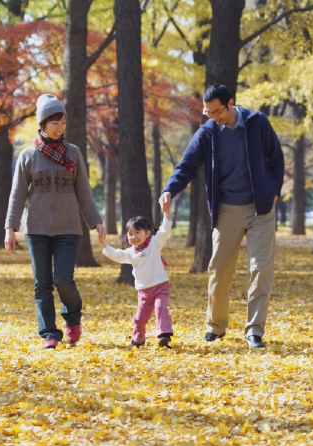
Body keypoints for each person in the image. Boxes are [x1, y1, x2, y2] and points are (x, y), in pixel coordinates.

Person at [159, 84, 284, 349]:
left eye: (217, 111)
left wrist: (274, 190)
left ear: (230, 103)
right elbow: (187, 165)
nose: (213, 117)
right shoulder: (208, 132)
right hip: (226, 208)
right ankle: (215, 327)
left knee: (261, 268)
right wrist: (170, 189)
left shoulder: (256, 122)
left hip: (260, 208)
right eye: (208, 112)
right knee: (219, 269)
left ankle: (254, 331)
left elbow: (276, 158)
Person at [4, 94, 105, 349]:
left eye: (62, 123)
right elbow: (17, 194)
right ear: (42, 125)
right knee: (42, 284)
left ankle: (73, 317)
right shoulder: (28, 156)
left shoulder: (73, 153)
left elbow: (84, 191)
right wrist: (10, 227)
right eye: (54, 123)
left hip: (68, 227)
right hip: (36, 228)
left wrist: (96, 222)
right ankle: (50, 333)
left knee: (63, 279)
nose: (59, 128)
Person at [98, 205, 173, 348]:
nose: (133, 237)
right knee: (139, 319)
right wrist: (104, 245)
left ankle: (164, 335)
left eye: (137, 232)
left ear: (148, 233)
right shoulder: (130, 252)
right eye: (130, 233)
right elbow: (116, 255)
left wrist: (166, 210)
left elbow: (165, 228)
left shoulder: (155, 243)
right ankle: (138, 339)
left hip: (160, 286)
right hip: (144, 291)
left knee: (160, 308)